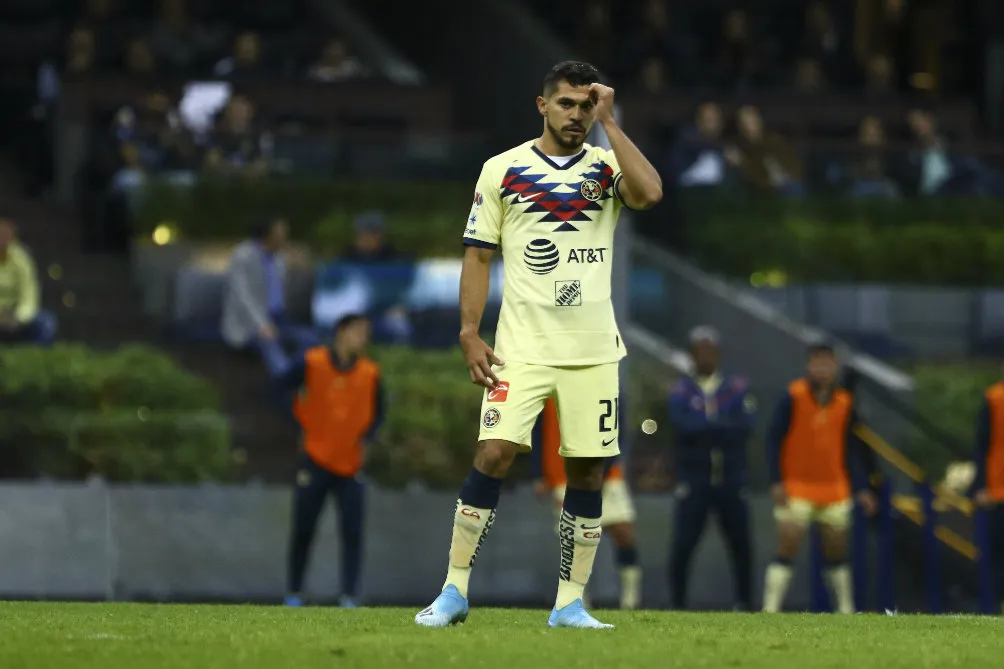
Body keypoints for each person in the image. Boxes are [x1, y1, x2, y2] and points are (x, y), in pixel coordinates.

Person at [414, 60, 662, 630]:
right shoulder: (502, 170)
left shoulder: (606, 167)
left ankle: (569, 603)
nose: (577, 115)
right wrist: (469, 333)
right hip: (520, 348)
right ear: (542, 105)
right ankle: (453, 591)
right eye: (566, 104)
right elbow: (478, 256)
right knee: (493, 453)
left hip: (593, 350)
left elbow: (650, 193)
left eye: (586, 105)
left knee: (589, 472)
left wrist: (612, 123)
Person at [762, 341, 877, 613]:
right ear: (808, 366)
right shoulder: (793, 396)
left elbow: (852, 448)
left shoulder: (845, 403)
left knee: (837, 547)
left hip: (834, 486)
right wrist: (776, 480)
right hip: (797, 485)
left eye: (827, 364)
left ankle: (845, 609)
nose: (822, 369)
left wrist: (861, 487)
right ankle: (770, 608)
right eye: (817, 363)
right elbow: (773, 440)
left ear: (835, 367)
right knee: (789, 541)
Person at [281, 314, 384, 609]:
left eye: (366, 333)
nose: (362, 338)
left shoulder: (370, 373)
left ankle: (349, 595)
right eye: (357, 332)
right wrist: (297, 422)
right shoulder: (312, 362)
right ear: (341, 332)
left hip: (351, 463)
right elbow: (280, 388)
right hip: (314, 458)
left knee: (352, 531)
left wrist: (367, 437)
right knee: (303, 527)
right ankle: (294, 592)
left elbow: (379, 413)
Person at [667, 325, 755, 610]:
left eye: (709, 350)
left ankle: (744, 603)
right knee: (684, 543)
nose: (704, 355)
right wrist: (718, 427)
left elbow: (745, 427)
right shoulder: (681, 390)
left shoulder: (735, 387)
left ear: (717, 353)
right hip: (694, 479)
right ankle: (678, 604)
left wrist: (705, 428)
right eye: (699, 350)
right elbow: (681, 427)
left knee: (740, 543)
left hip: (731, 477)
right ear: (691, 355)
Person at [530, 397, 643, 610]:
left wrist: (608, 463)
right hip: (564, 473)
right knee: (574, 540)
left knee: (623, 531)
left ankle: (631, 600)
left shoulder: (603, 379)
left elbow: (618, 423)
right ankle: (579, 601)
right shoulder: (547, 384)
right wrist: (538, 473)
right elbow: (537, 428)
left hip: (606, 472)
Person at [220, 217, 319, 375]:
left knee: (310, 339)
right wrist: (262, 324)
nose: (285, 237)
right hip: (250, 325)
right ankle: (284, 377)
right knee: (272, 349)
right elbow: (242, 295)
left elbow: (280, 291)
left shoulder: (278, 258)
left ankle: (295, 373)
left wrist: (297, 268)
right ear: (267, 235)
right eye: (280, 233)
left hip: (277, 319)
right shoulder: (243, 255)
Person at [971, 380, 1004, 614]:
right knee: (995, 560)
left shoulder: (995, 396)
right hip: (996, 494)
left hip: (995, 493)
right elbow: (983, 444)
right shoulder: (995, 397)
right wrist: (981, 486)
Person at [0, 217, 56, 346]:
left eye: (6, 236)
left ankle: (36, 355)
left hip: (13, 315)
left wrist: (19, 318)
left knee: (46, 322)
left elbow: (29, 294)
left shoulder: (21, 258)